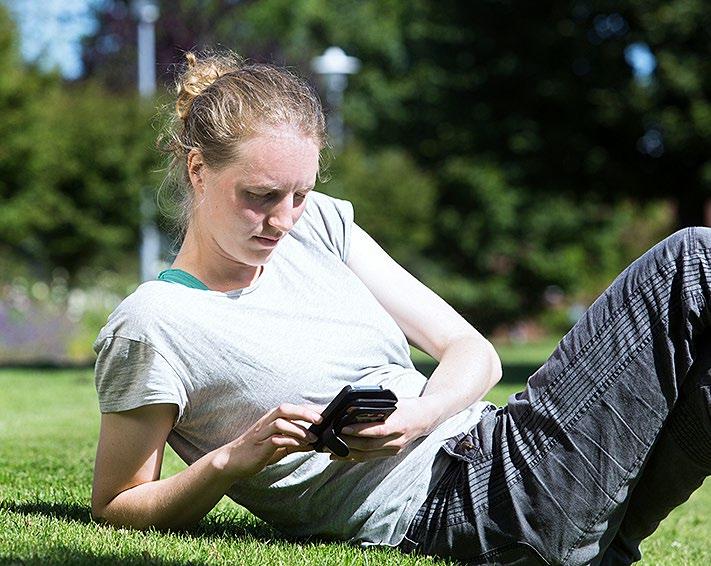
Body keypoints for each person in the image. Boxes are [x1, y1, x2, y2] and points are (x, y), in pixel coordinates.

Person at [91, 50, 711, 565]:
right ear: (198, 170)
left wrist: (419, 414)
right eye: (260, 197)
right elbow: (117, 506)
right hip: (463, 510)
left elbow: (472, 351)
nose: (282, 221)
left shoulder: (321, 228)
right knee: (693, 261)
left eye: (299, 194)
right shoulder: (154, 324)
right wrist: (234, 458)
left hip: (497, 455)